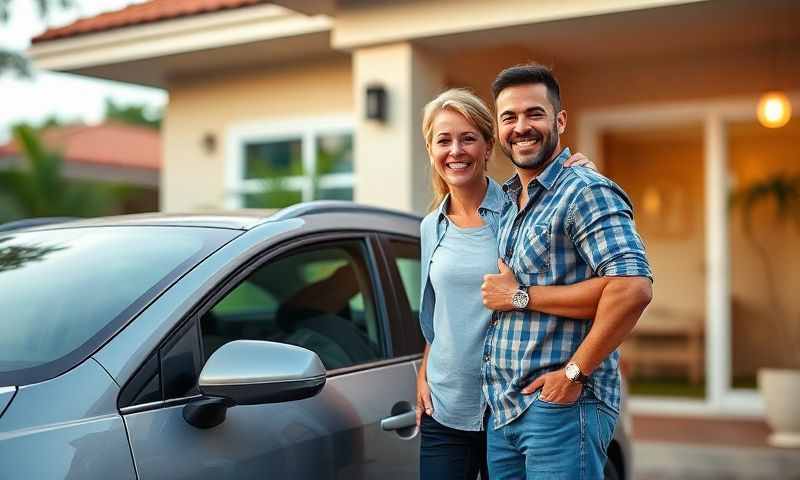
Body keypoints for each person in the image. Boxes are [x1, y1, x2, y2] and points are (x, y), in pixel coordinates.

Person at [416, 88, 615, 480]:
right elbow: (437, 311)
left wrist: (574, 175)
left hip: (509, 405)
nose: (455, 151)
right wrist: (424, 371)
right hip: (445, 408)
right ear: (430, 150)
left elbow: (609, 286)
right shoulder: (430, 227)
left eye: (468, 138)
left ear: (489, 146)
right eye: (444, 140)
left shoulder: (518, 208)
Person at [480, 64, 653, 479]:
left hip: (559, 409)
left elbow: (632, 288)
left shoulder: (584, 189)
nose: (521, 127)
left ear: (559, 120)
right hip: (505, 409)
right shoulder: (511, 201)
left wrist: (573, 374)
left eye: (534, 114)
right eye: (509, 117)